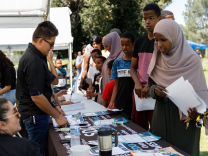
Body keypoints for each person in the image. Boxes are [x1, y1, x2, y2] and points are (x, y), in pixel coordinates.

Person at [147, 19, 208, 156]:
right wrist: (155, 90)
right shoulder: (157, 57)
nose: (159, 44)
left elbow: (201, 95)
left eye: (163, 40)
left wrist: (198, 113)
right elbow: (150, 86)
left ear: (174, 38)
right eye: (157, 40)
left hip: (185, 124)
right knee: (159, 151)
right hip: (160, 119)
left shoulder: (192, 60)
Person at [16, 21, 68, 155]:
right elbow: (37, 96)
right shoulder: (33, 60)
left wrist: (54, 105)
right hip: (34, 115)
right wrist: (57, 116)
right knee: (36, 152)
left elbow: (44, 89)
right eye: (51, 44)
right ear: (40, 40)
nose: (52, 47)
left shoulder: (37, 57)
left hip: (35, 114)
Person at [130, 3, 161, 130]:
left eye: (151, 18)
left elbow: (163, 69)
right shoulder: (139, 41)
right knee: (138, 129)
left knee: (157, 130)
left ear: (159, 19)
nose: (147, 22)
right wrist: (137, 82)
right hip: (139, 93)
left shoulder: (162, 42)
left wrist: (150, 85)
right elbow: (132, 68)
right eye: (145, 18)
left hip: (154, 92)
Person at [107, 32, 135, 119]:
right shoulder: (117, 62)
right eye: (122, 45)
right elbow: (116, 84)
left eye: (127, 45)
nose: (124, 47)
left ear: (133, 44)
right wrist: (112, 101)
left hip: (135, 101)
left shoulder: (137, 61)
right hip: (121, 101)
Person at [98, 32, 124, 105]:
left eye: (107, 46)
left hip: (116, 96)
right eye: (105, 46)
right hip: (107, 94)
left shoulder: (123, 56)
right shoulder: (111, 56)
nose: (106, 49)